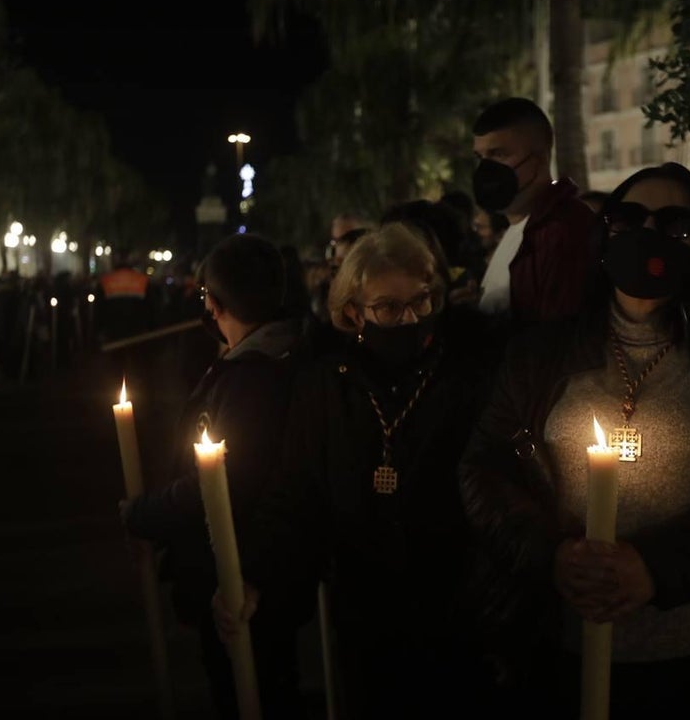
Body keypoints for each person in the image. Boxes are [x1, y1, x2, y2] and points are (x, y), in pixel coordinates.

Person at [459, 163, 690, 719]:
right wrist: (551, 554)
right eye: (629, 219)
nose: (648, 236)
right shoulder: (541, 353)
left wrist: (656, 567)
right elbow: (485, 467)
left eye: (675, 224)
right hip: (558, 650)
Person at [214, 223, 505, 719]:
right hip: (367, 613)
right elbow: (296, 491)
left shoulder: (467, 374)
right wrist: (255, 573)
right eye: (388, 308)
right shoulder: (328, 384)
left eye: (422, 301)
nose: (410, 318)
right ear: (352, 311)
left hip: (462, 607)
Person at [120, 233, 310, 720]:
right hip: (253, 567)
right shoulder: (277, 359)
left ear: (214, 302)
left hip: (240, 571)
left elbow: (222, 483)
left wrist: (144, 513)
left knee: (252, 692)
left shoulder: (251, 378)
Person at [471, 97, 596, 322]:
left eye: (498, 155)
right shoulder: (524, 227)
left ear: (538, 160)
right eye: (480, 157)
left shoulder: (562, 233)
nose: (485, 169)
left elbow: (557, 342)